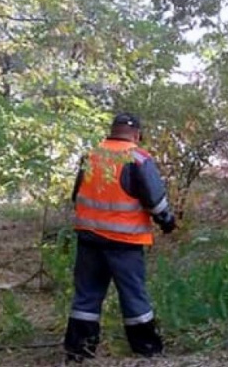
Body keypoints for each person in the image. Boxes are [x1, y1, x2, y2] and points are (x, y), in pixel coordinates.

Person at [64, 112, 177, 362]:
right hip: (124, 242)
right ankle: (147, 348)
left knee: (87, 295)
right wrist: (167, 222)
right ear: (136, 134)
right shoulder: (137, 158)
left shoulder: (90, 155)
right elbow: (155, 200)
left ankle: (78, 350)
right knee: (133, 294)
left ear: (112, 130)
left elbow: (77, 196)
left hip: (88, 238)